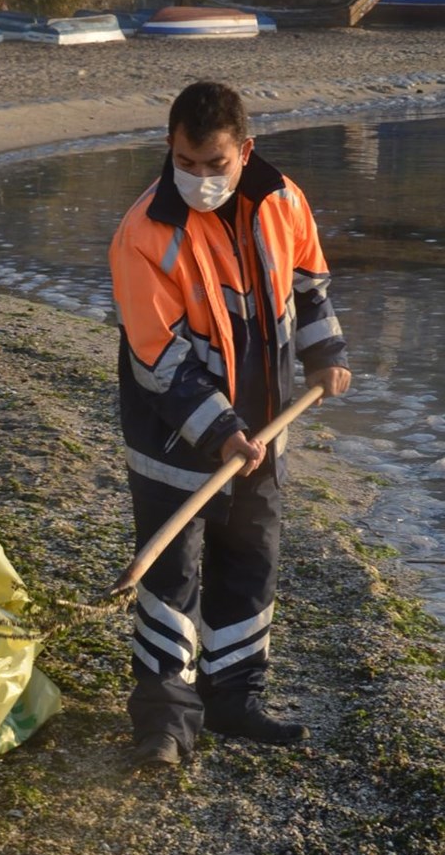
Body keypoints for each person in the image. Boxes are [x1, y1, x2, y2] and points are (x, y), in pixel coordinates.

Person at [109, 81, 351, 770]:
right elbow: (161, 361)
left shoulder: (283, 201)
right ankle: (164, 722)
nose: (201, 178)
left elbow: (310, 288)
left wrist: (326, 353)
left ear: (245, 151)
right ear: (170, 147)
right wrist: (220, 432)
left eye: (215, 165)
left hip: (266, 431)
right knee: (173, 577)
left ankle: (233, 699)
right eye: (188, 162)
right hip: (173, 441)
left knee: (251, 562)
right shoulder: (142, 234)